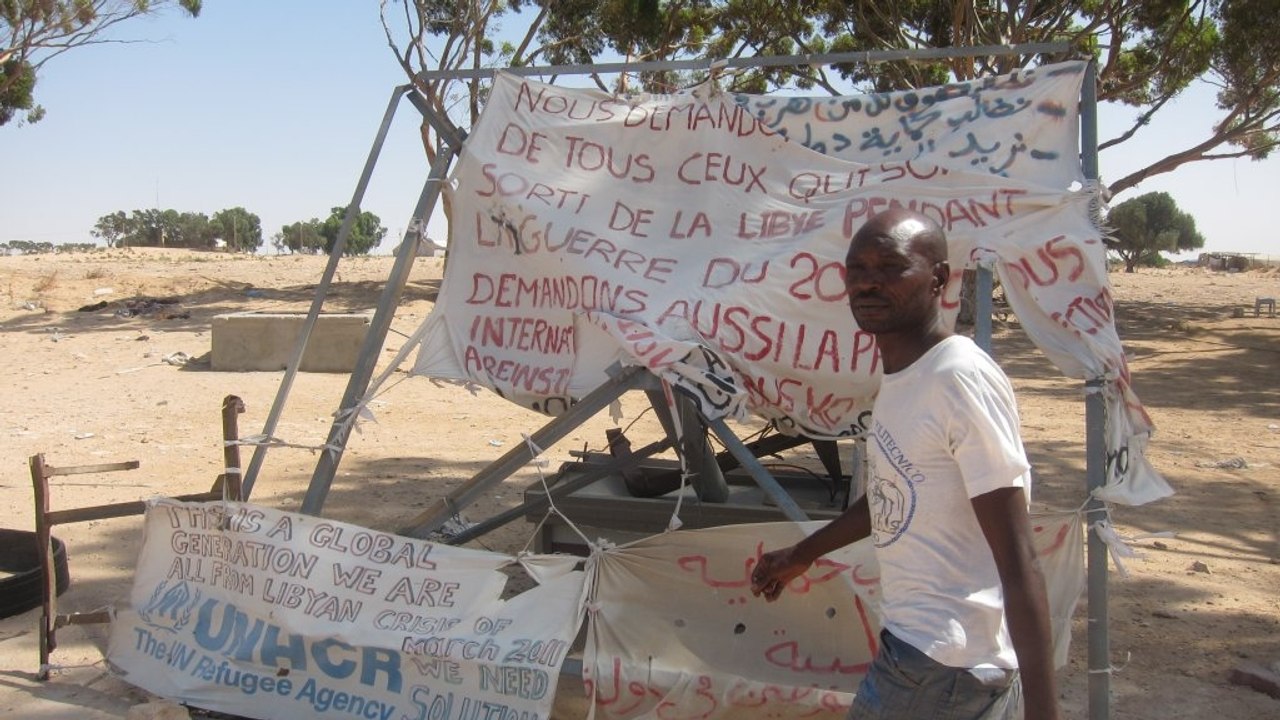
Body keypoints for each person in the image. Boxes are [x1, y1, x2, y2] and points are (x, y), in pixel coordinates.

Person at [750, 208, 1060, 720]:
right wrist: (805, 553)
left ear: (938, 279)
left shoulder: (955, 378)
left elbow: (1020, 557)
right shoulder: (905, 374)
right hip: (930, 659)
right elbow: (896, 494)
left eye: (890, 267)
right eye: (857, 270)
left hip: (940, 668)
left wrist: (1045, 713)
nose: (868, 284)